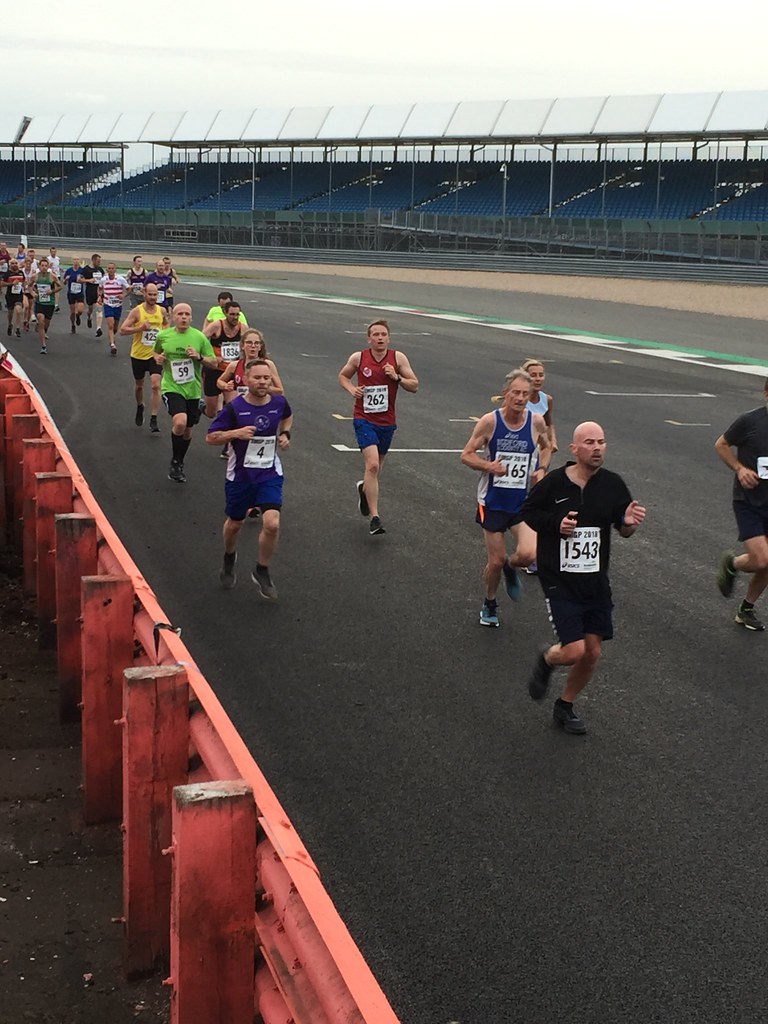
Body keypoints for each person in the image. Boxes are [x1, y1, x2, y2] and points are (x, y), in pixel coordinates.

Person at [521, 421, 646, 735]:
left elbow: (624, 529)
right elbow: (529, 512)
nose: (597, 448)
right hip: (559, 580)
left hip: (594, 581)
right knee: (574, 650)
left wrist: (629, 523)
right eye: (590, 443)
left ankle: (565, 705)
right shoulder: (553, 484)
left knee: (592, 653)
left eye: (601, 442)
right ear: (575, 449)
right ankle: (549, 658)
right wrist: (556, 525)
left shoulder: (613, 485)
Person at [460, 369, 550, 627]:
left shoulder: (535, 422)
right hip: (493, 501)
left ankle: (512, 567)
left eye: (526, 394)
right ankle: (489, 602)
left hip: (522, 502)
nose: (521, 398)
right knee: (495, 561)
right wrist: (489, 467)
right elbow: (466, 455)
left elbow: (547, 446)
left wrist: (542, 469)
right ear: (505, 394)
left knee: (530, 554)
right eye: (516, 393)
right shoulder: (490, 422)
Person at [206, 358, 293, 598]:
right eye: (257, 377)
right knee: (235, 524)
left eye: (266, 378)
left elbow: (287, 416)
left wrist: (285, 433)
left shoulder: (278, 403)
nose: (263, 382)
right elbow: (211, 437)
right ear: (246, 379)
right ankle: (229, 556)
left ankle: (262, 570)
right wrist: (236, 433)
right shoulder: (234, 408)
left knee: (272, 523)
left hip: (269, 473)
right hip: (240, 476)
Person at [338, 319, 419, 535]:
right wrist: (351, 389)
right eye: (376, 334)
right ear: (369, 338)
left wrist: (397, 377)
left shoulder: (398, 358)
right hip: (363, 418)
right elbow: (343, 376)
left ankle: (364, 489)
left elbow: (415, 385)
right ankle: (375, 517)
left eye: (383, 334)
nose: (380, 338)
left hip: (387, 421)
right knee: (372, 465)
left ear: (389, 337)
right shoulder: (359, 357)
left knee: (377, 467)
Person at [715, 379, 768, 631]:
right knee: (761, 560)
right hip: (749, 502)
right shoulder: (749, 421)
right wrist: (739, 468)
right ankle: (732, 564)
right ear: (766, 394)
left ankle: (746, 609)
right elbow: (721, 444)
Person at [153, 303, 216, 483]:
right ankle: (175, 460)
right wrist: (157, 358)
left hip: (193, 390)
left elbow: (213, 362)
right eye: (180, 314)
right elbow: (155, 352)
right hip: (172, 387)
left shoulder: (199, 337)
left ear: (191, 317)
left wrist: (199, 357)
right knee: (180, 422)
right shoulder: (164, 335)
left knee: (188, 431)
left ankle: (180, 461)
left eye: (187, 314)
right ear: (174, 317)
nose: (183, 317)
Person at [521, 358, 558, 575]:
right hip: (520, 455)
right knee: (524, 503)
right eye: (533, 375)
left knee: (538, 503)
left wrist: (552, 440)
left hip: (539, 455)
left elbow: (549, 421)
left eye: (541, 374)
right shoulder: (519, 399)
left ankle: (534, 554)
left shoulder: (547, 399)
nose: (538, 378)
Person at [119, 281, 169, 431]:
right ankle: (140, 406)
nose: (153, 297)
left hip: (155, 355)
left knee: (155, 385)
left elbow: (167, 325)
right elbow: (122, 330)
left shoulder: (162, 311)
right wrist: (140, 328)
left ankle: (154, 418)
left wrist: (165, 339)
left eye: (155, 294)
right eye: (150, 294)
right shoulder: (137, 311)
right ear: (144, 294)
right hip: (138, 354)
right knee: (139, 386)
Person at [202, 300, 247, 419]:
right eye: (232, 314)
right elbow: (200, 340)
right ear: (225, 313)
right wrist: (210, 356)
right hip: (214, 370)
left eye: (237, 314)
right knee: (211, 413)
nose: (235, 317)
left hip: (231, 371)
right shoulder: (217, 326)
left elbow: (249, 345)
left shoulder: (243, 328)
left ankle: (225, 429)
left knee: (233, 406)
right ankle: (201, 407)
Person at [217, 328, 284, 402]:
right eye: (249, 342)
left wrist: (263, 388)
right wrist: (226, 386)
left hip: (261, 404)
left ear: (260, 346)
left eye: (256, 343)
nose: (253, 346)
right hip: (242, 406)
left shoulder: (268, 364)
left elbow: (280, 391)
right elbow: (219, 382)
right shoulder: (234, 365)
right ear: (242, 346)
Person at [30, 256, 61, 354]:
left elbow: (60, 287)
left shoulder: (52, 276)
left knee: (46, 324)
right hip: (40, 302)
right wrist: (33, 293)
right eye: (42, 265)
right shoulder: (35, 276)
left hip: (50, 303)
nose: (44, 267)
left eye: (45, 266)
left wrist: (52, 291)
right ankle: (43, 345)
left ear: (48, 267)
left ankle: (42, 328)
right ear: (39, 266)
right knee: (41, 319)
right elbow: (29, 286)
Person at [99, 263, 129, 355]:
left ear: (115, 270)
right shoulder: (103, 279)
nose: (111, 270)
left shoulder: (120, 279)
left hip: (118, 305)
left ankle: (112, 337)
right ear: (107, 270)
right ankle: (112, 345)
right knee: (110, 325)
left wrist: (123, 295)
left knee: (115, 327)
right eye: (109, 268)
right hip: (108, 304)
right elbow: (100, 289)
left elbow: (129, 289)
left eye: (112, 268)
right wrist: (100, 297)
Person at [81, 254, 104, 336]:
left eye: (100, 261)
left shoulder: (100, 269)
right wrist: (88, 280)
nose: (99, 263)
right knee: (90, 308)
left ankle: (98, 328)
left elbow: (104, 278)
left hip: (99, 292)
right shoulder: (86, 269)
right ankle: (89, 316)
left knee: (99, 308)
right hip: (90, 291)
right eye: (98, 261)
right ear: (93, 260)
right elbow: (79, 279)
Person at [63, 257, 86, 333]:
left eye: (77, 259)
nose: (76, 261)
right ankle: (73, 325)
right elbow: (64, 283)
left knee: (80, 310)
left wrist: (81, 280)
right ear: (72, 261)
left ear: (79, 261)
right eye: (74, 259)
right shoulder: (69, 270)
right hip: (71, 293)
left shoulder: (82, 271)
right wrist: (66, 279)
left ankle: (78, 315)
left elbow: (85, 281)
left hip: (79, 293)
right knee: (72, 312)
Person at [3, 259, 25, 337]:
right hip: (10, 295)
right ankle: (10, 324)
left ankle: (18, 328)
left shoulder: (21, 273)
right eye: (12, 263)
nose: (14, 265)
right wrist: (11, 283)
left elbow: (24, 282)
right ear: (10, 265)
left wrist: (25, 288)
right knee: (10, 312)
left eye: (16, 263)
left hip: (19, 295)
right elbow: (2, 283)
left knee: (18, 311)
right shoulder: (7, 274)